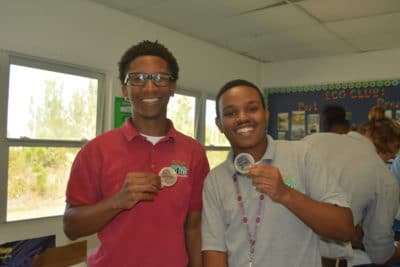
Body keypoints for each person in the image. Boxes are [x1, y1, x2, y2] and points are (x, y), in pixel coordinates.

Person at [63, 40, 210, 267]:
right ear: (125, 89)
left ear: (172, 87)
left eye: (160, 78)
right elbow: (71, 228)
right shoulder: (95, 151)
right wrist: (118, 201)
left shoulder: (194, 152)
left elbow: (194, 224)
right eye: (137, 79)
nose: (149, 88)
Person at [201, 79, 354, 267]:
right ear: (219, 124)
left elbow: (344, 228)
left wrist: (285, 193)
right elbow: (214, 249)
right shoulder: (215, 180)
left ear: (266, 115)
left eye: (252, 109)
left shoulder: (302, 155)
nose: (242, 118)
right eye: (231, 113)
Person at [304, 117, 400, 266]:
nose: (393, 158)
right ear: (392, 145)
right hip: (324, 260)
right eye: (393, 153)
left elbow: (287, 181)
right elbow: (379, 251)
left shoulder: (313, 140)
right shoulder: (384, 177)